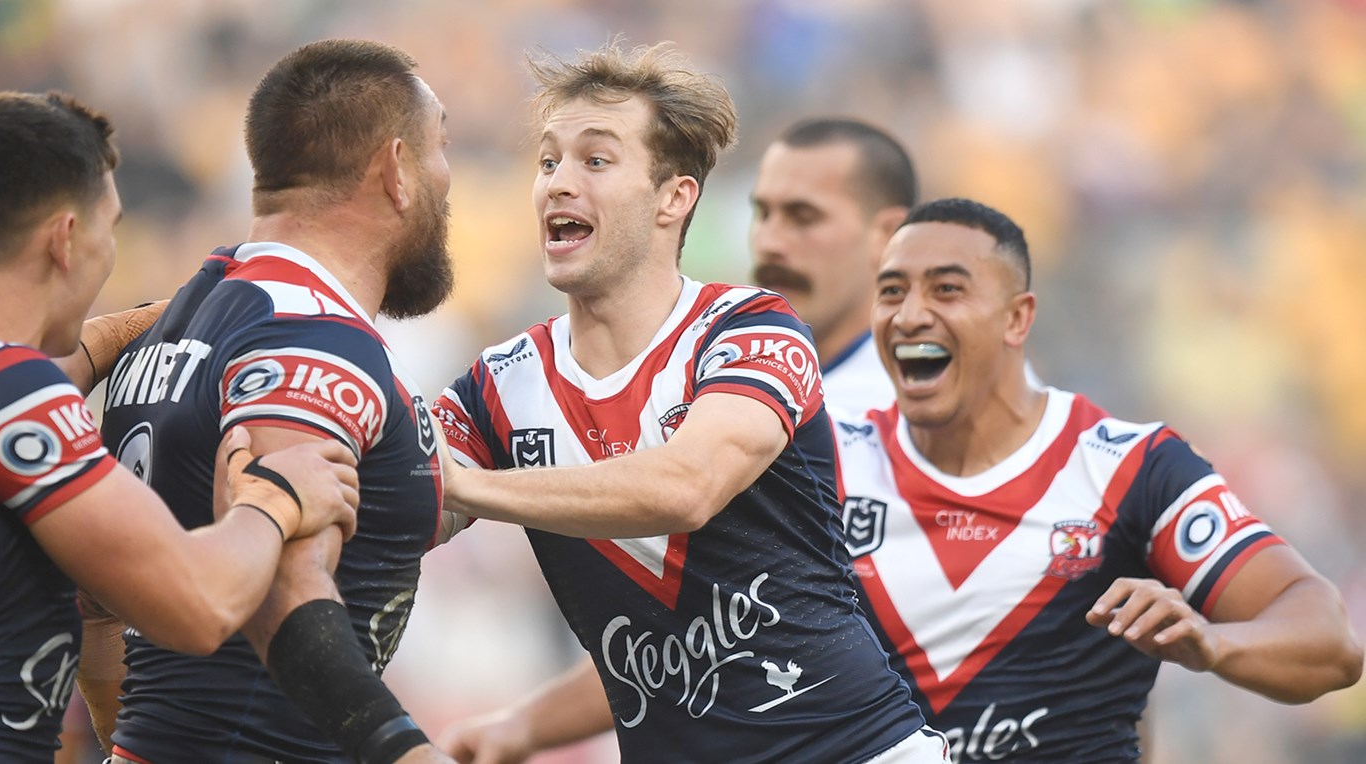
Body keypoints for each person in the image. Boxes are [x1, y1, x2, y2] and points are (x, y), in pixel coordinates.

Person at [429, 43, 949, 764]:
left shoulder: (750, 329)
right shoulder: (499, 385)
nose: (558, 184)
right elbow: (400, 503)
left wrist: (466, 486)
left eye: (596, 160)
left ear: (674, 197)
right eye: (548, 162)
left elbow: (687, 487)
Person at [0, 91, 360, 763]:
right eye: (111, 228)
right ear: (65, 239)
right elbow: (201, 607)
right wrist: (275, 499)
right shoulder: (2, 392)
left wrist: (138, 327)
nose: (110, 253)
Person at [832, 197, 1362, 761]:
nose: (909, 315)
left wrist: (1212, 642)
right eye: (892, 291)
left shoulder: (1131, 468)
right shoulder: (830, 464)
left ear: (1017, 318)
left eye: (946, 290)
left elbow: (1331, 643)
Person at [83, 40, 456, 764]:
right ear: (396, 170)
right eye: (440, 146)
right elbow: (286, 597)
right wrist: (408, 754)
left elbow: (96, 611)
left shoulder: (182, 320)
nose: (449, 178)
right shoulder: (309, 337)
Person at [749, 118, 917, 412]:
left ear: (889, 235)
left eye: (803, 217)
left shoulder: (916, 417)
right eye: (763, 213)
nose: (769, 243)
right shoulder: (721, 381)